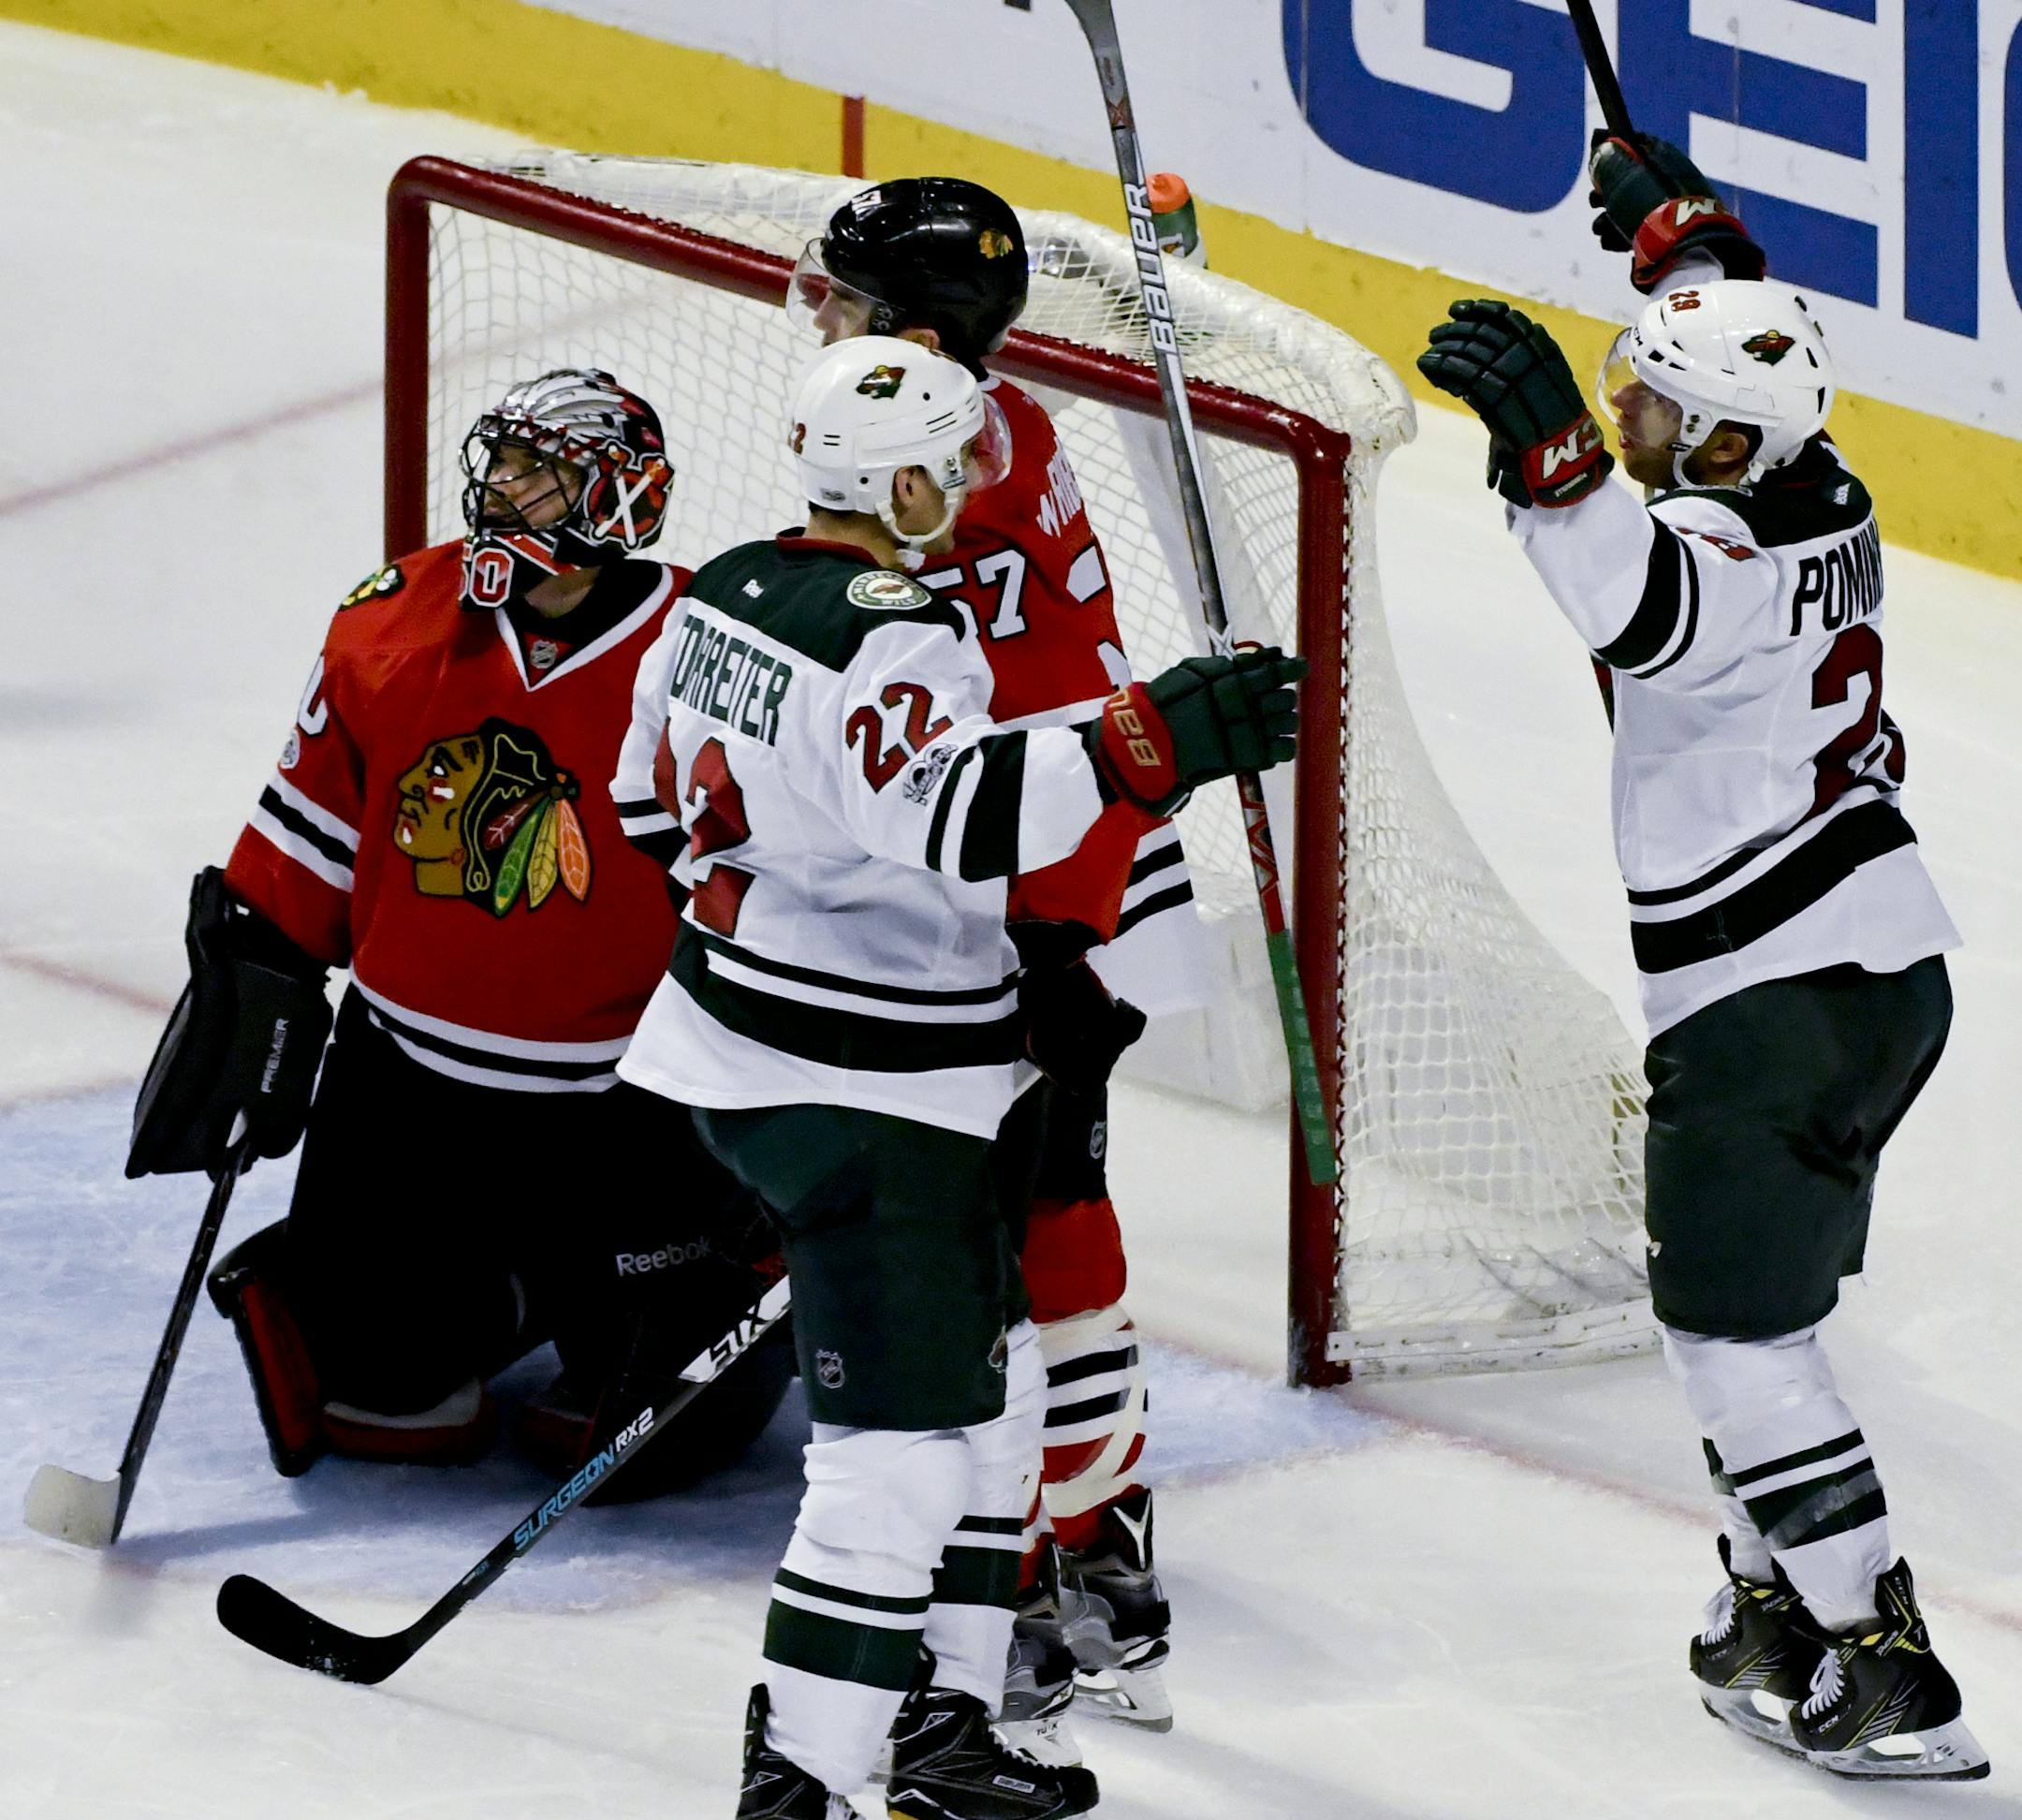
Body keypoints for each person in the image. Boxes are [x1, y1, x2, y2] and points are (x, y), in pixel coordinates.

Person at [612, 332, 1301, 1819]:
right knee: (897, 1465)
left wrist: (798, 924)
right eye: (958, 461)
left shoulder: (716, 593)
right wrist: (1149, 739)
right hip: (872, 1099)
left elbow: (641, 803)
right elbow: (968, 817)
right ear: (902, 478)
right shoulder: (899, 627)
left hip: (760, 1047)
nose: (977, 481)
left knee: (995, 1407)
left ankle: (945, 1733)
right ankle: (800, 1778)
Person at [1414, 133, 1985, 1782]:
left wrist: (1547, 455)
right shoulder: (1811, 485)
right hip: (1876, 971)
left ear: (1723, 439)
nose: (1633, 425)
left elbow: (1630, 596)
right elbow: (1720, 373)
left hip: (1770, 1006)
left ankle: (1882, 1657)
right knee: (1744, 1323)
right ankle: (1769, 1609)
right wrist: (1690, 238)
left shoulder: (1713, 561)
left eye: (1654, 413)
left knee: (1741, 1346)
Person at [129, 368, 789, 1496]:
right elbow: (305, 851)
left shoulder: (712, 662)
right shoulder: (391, 624)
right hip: (405, 1089)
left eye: (538, 477)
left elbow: (769, 902)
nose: (499, 494)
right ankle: (517, 1287)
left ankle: (602, 1278)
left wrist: (775, 1106)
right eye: (501, 467)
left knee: (650, 1434)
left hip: (628, 1103)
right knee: (378, 1402)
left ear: (618, 504)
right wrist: (254, 1003)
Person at [786, 176, 1202, 1747]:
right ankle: (1098, 1551)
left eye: (841, 296)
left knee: (993, 1243)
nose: (816, 314)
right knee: (1056, 1210)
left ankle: (1027, 1579)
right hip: (1077, 860)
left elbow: (906, 710)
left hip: (1023, 888)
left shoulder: (923, 455)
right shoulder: (982, 419)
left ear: (907, 327)